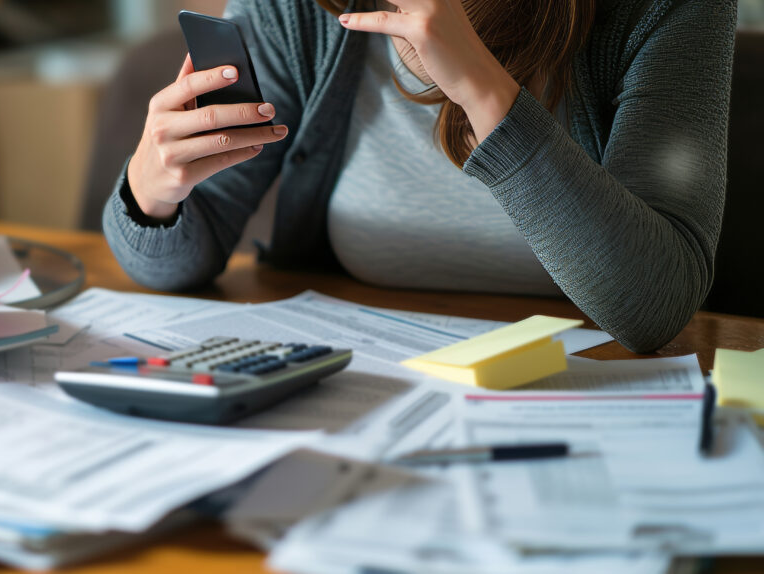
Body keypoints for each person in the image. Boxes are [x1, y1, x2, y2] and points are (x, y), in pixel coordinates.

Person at [102, 0, 737, 353]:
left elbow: (654, 307)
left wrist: (485, 92)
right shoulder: (300, 11)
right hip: (368, 377)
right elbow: (172, 268)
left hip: (592, 388)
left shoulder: (671, 10)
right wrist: (151, 193)